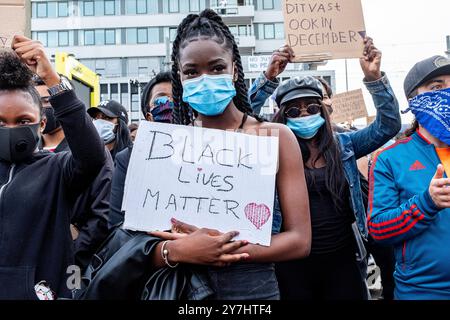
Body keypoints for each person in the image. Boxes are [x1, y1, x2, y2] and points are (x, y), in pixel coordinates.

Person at [151, 9, 311, 300]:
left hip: (254, 292)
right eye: (191, 72)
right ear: (180, 77)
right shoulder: (168, 144)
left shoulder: (276, 137)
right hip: (183, 288)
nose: (204, 78)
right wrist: (180, 250)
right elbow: (146, 239)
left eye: (216, 68)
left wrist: (223, 251)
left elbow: (300, 240)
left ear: (234, 69)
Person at [250, 38, 401, 299]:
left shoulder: (345, 145)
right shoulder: (273, 147)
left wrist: (374, 79)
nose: (304, 115)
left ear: (323, 111)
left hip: (343, 259)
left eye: (311, 108)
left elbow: (388, 125)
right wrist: (268, 77)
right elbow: (241, 121)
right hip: (291, 262)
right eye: (294, 111)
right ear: (282, 116)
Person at [0, 36, 105, 299]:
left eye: (24, 120)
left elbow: (92, 154)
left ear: (42, 124)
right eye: (1, 123)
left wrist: (51, 78)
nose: (12, 130)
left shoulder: (57, 169)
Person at [368, 55, 450, 299]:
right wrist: (427, 203)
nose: (448, 93)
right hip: (423, 292)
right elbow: (378, 229)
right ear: (415, 101)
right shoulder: (390, 159)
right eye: (437, 87)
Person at [33, 76, 113, 271]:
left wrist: (69, 255)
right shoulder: (27, 153)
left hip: (74, 266)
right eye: (38, 101)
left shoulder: (90, 153)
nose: (45, 107)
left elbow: (102, 216)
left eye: (49, 100)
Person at [108, 71, 175, 228]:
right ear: (149, 116)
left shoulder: (210, 153)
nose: (170, 103)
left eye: (177, 98)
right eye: (162, 99)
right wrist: (163, 249)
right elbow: (117, 224)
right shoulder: (129, 159)